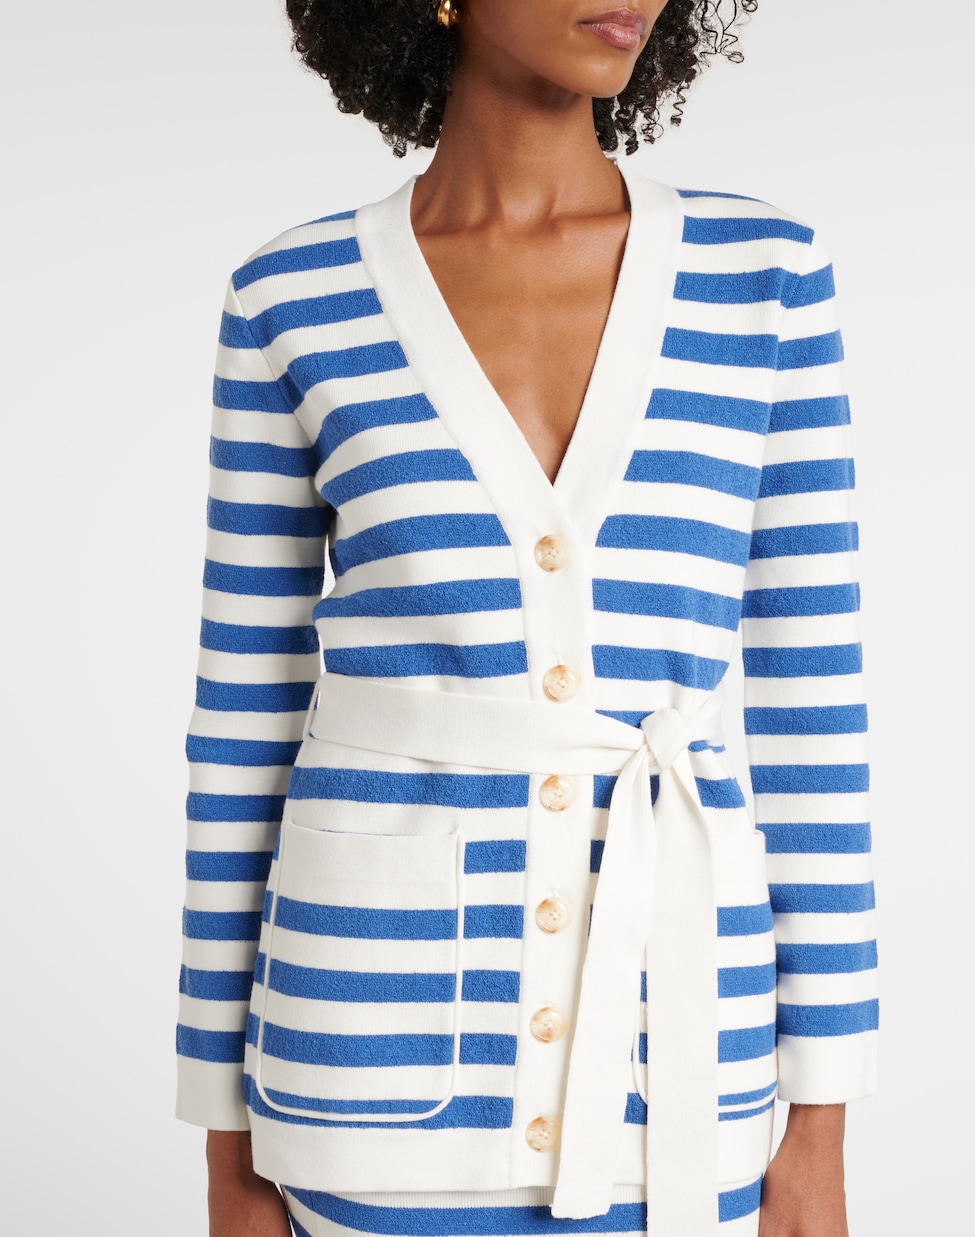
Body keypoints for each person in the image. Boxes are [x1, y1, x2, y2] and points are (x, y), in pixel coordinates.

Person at [175, 2, 879, 1235]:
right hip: (360, 1073)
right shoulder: (291, 298)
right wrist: (223, 1141)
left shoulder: (762, 278)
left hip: (679, 1068)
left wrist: (819, 1119)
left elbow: (812, 712)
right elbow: (241, 727)